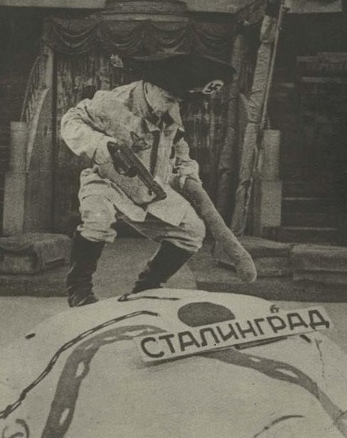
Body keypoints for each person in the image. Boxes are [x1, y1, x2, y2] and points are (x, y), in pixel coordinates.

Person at [60, 52, 235, 307]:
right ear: (150, 86)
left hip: (152, 188)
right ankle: (79, 289)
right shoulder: (113, 101)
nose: (170, 106)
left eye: (176, 101)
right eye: (168, 99)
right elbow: (71, 120)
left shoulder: (170, 109)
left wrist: (188, 174)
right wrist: (99, 144)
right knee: (97, 218)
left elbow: (180, 148)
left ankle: (147, 288)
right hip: (108, 183)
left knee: (192, 231)